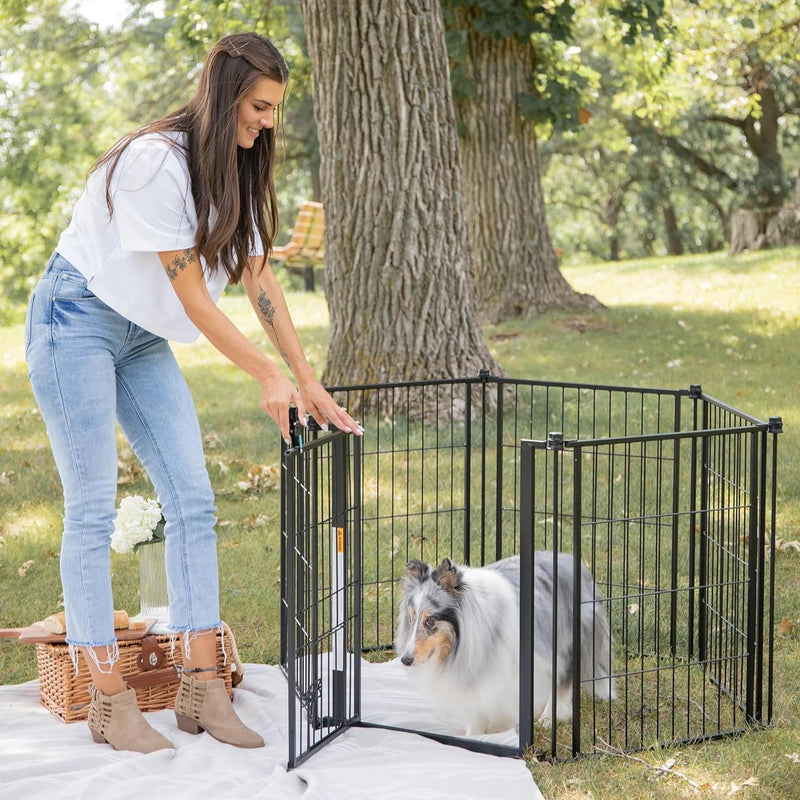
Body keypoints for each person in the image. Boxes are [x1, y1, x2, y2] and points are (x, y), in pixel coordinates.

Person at [25, 32, 361, 754]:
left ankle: (202, 690)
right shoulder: (155, 162)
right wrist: (265, 376)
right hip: (74, 318)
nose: (268, 121)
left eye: (275, 109)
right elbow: (197, 301)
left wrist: (305, 377)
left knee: (193, 500)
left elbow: (258, 280)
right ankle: (110, 704)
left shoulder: (233, 168)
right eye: (260, 106)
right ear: (225, 94)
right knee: (89, 509)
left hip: (141, 336)